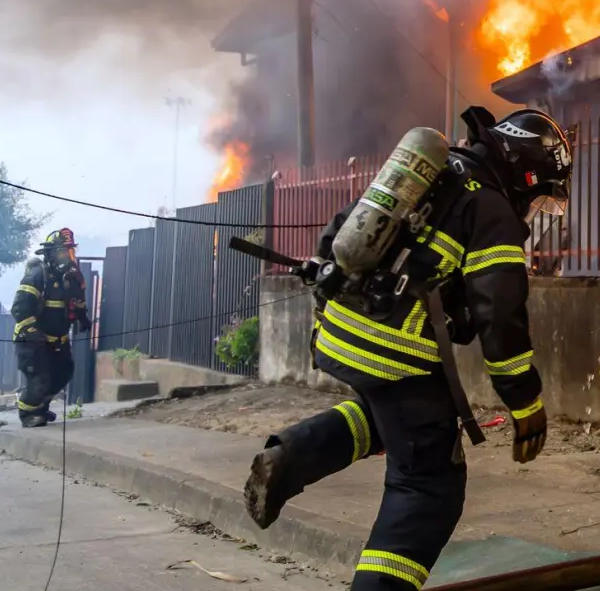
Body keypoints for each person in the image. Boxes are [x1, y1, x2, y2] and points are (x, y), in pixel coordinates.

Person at [242, 107, 572, 591]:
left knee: (394, 420)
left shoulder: (429, 171)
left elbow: (343, 230)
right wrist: (526, 403)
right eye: (540, 195)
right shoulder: (492, 211)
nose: (534, 207)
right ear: (527, 174)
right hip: (397, 351)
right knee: (429, 483)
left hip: (339, 331)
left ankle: (293, 455)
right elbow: (499, 316)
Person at [12, 228, 90, 428]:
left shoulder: (72, 278)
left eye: (70, 251)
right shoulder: (39, 276)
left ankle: (41, 408)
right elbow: (19, 309)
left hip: (58, 340)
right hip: (32, 340)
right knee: (40, 377)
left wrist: (83, 319)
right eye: (63, 251)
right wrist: (32, 332)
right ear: (51, 253)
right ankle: (28, 415)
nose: (67, 256)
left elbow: (77, 302)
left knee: (63, 373)